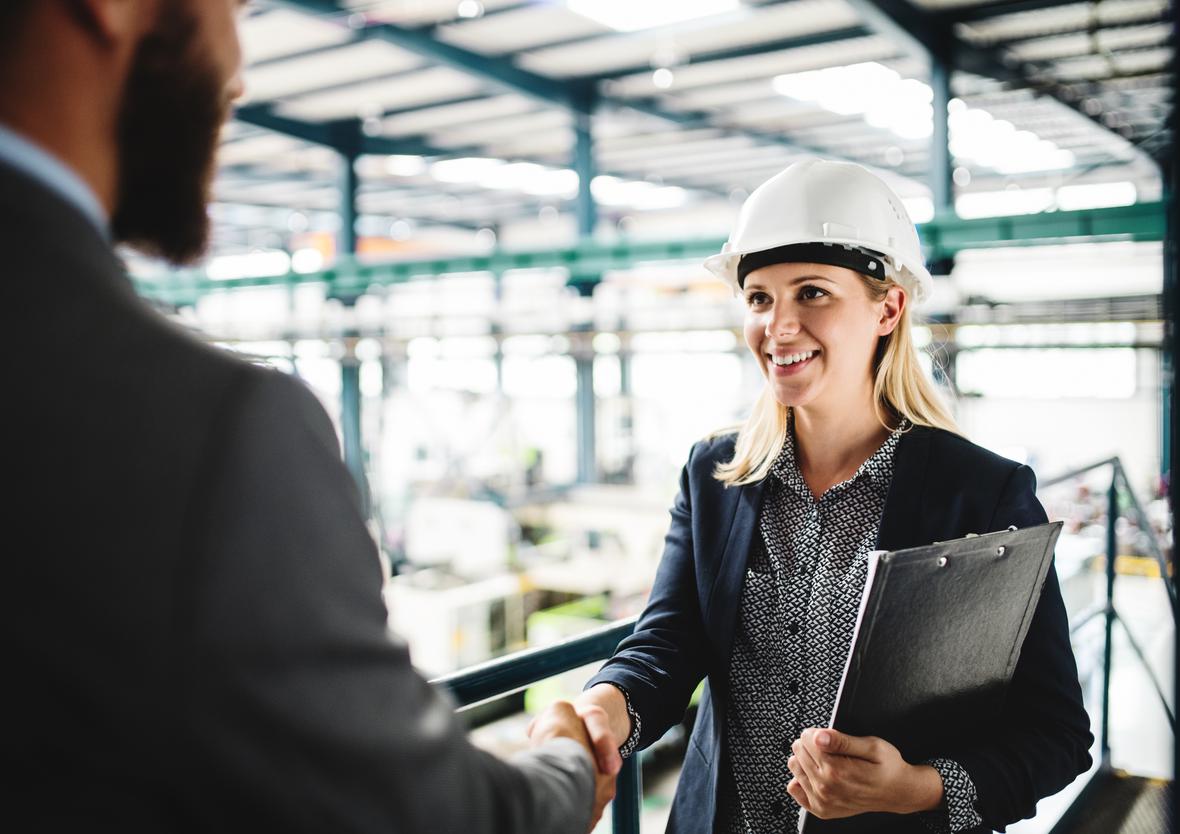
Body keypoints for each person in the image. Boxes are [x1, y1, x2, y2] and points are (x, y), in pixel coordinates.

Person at [1, 1, 616, 830]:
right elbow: (432, 816)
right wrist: (569, 763)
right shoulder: (212, 430)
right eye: (230, 7)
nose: (237, 68)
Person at [571, 159, 1094, 833]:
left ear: (889, 307)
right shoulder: (714, 476)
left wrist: (916, 788)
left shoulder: (984, 496)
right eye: (759, 298)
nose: (778, 326)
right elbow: (668, 646)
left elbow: (1053, 733)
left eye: (812, 293)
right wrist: (604, 709)